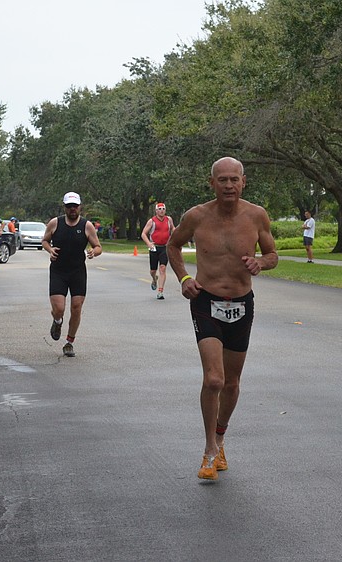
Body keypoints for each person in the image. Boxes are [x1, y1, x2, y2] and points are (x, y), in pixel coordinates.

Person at [167, 156, 278, 481]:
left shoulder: (257, 215)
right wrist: (185, 279)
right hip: (207, 301)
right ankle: (208, 450)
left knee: (231, 383)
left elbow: (272, 254)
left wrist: (262, 263)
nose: (229, 185)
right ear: (212, 182)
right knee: (214, 379)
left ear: (243, 182)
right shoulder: (197, 216)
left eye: (234, 179)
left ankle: (221, 435)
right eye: (223, 180)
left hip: (242, 304)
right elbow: (172, 246)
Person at [41, 192, 103, 357]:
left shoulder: (86, 226)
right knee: (59, 308)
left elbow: (98, 246)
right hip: (58, 271)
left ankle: (69, 342)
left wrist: (93, 252)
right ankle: (57, 321)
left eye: (75, 206)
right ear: (65, 207)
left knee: (76, 308)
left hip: (77, 272)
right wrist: (50, 249)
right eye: (69, 206)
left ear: (80, 207)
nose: (72, 209)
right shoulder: (55, 223)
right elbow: (45, 240)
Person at [140, 202, 175, 300]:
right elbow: (143, 234)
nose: (161, 210)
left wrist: (175, 240)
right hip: (154, 247)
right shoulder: (152, 221)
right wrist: (149, 243)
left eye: (163, 209)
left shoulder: (169, 220)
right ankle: (154, 278)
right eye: (159, 209)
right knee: (153, 270)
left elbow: (173, 229)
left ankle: (160, 291)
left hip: (165, 247)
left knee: (163, 268)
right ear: (156, 211)